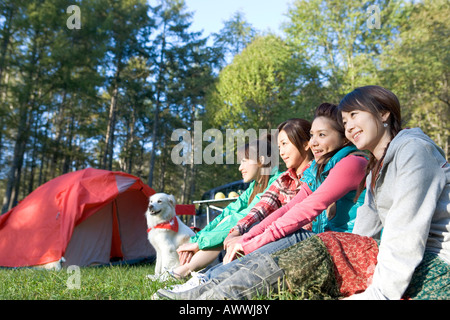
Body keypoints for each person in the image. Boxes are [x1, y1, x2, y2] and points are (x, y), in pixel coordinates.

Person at [162, 86, 449, 300]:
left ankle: (212, 295)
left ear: (384, 114)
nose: (349, 125)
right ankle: (207, 291)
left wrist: (380, 293)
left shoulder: (411, 150)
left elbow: (406, 231)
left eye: (354, 116)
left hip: (434, 257)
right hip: (384, 251)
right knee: (313, 244)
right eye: (345, 120)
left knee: (313, 244)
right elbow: (367, 228)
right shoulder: (375, 164)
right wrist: (245, 236)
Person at [154, 102, 369, 299]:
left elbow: (309, 208)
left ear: (344, 138)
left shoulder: (351, 163)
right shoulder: (317, 171)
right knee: (275, 234)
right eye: (313, 135)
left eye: (322, 135)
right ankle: (205, 285)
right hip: (322, 240)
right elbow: (287, 209)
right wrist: (247, 238)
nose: (314, 142)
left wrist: (251, 241)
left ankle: (209, 291)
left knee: (288, 237)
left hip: (343, 246)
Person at [170, 118, 313, 280]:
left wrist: (202, 241)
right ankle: (202, 276)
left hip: (295, 240)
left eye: (244, 161)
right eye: (279, 147)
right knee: (236, 228)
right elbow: (238, 213)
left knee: (243, 230)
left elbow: (250, 217)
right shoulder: (278, 181)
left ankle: (204, 277)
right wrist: (202, 238)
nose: (240, 167)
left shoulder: (303, 177)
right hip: (277, 236)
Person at [169, 135, 282, 279]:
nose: (240, 168)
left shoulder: (276, 182)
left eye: (244, 161)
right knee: (226, 224)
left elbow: (241, 219)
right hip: (252, 240)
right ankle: (184, 270)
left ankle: (187, 272)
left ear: (260, 161)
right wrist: (197, 239)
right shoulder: (254, 187)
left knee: (233, 232)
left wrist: (199, 243)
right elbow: (228, 213)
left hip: (270, 242)